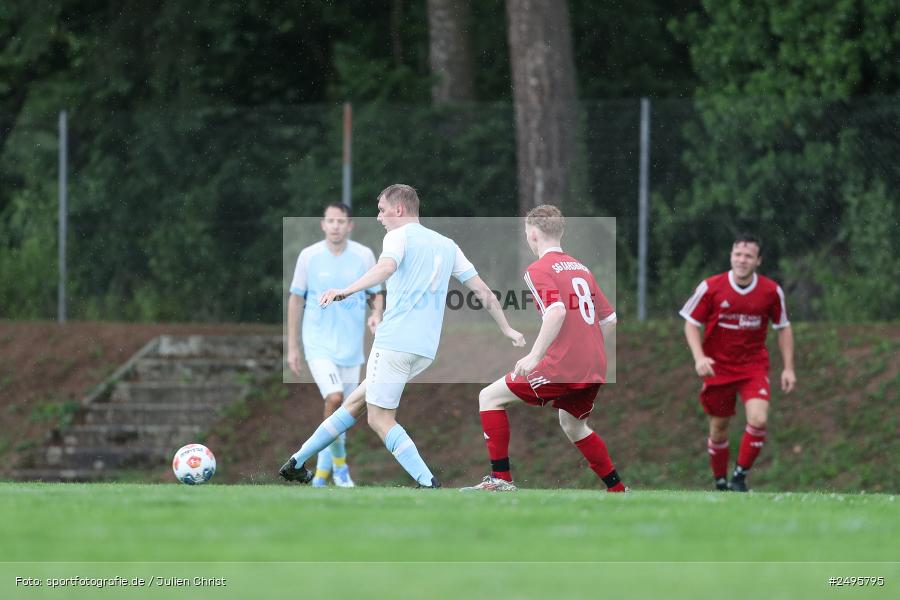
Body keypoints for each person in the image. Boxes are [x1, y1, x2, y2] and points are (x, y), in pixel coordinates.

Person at [280, 184, 525, 487]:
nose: (379, 216)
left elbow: (385, 268)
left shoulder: (397, 236)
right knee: (355, 402)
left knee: (379, 419)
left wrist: (346, 290)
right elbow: (483, 291)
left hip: (395, 342)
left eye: (382, 209)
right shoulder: (448, 244)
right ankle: (296, 462)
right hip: (424, 349)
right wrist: (507, 328)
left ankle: (427, 482)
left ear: (399, 209)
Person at [461, 205, 628, 493]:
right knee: (573, 425)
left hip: (561, 365)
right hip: (595, 363)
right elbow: (610, 318)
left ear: (533, 234)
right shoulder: (581, 268)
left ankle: (501, 479)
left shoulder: (538, 269)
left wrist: (535, 355)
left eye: (527, 232)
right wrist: (588, 349)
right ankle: (617, 489)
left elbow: (557, 311)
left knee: (488, 397)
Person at [679, 233, 796, 492]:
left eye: (748, 256)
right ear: (731, 256)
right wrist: (699, 358)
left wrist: (788, 368)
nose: (742, 260)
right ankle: (720, 481)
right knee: (719, 428)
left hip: (752, 367)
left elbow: (784, 327)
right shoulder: (711, 287)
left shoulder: (770, 291)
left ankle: (739, 477)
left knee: (758, 419)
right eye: (738, 254)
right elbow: (691, 323)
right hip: (717, 368)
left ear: (758, 261)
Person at [287, 202, 384, 487]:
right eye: (330, 221)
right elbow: (296, 299)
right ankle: (339, 467)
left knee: (344, 413)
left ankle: (321, 476)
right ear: (323, 224)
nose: (336, 226)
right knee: (334, 397)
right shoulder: (309, 256)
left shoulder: (364, 255)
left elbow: (375, 293)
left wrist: (376, 314)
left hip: (351, 349)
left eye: (341, 221)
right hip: (317, 342)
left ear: (350, 225)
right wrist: (292, 347)